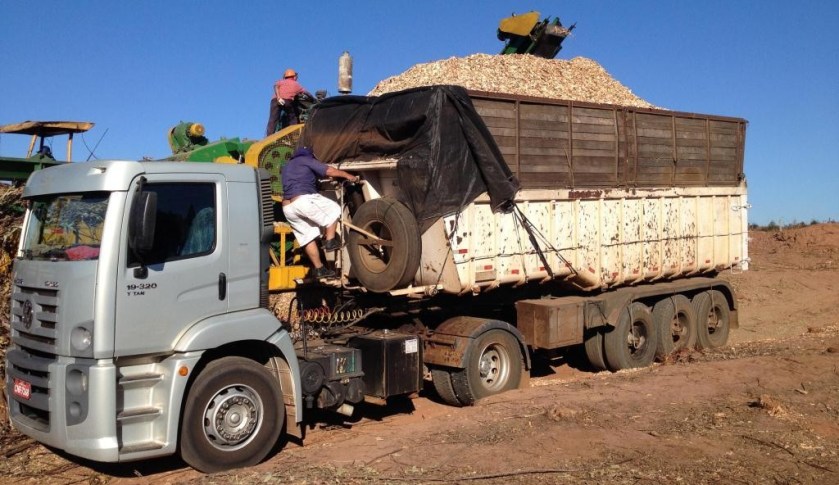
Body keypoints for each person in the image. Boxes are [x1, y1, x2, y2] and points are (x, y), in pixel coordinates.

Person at [281, 146, 360, 279]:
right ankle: (330, 241)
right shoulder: (306, 159)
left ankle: (319, 269)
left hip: (288, 208)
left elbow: (301, 178)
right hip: (302, 199)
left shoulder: (288, 166)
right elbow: (328, 170)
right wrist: (348, 176)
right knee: (333, 209)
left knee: (307, 237)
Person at [265, 68, 312, 136]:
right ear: (294, 77)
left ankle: (269, 137)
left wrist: (278, 97)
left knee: (273, 119)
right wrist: (313, 98)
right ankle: (294, 135)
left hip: (275, 100)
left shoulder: (281, 81)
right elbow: (306, 92)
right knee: (293, 117)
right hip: (287, 101)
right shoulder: (296, 84)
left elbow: (275, 86)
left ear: (285, 76)